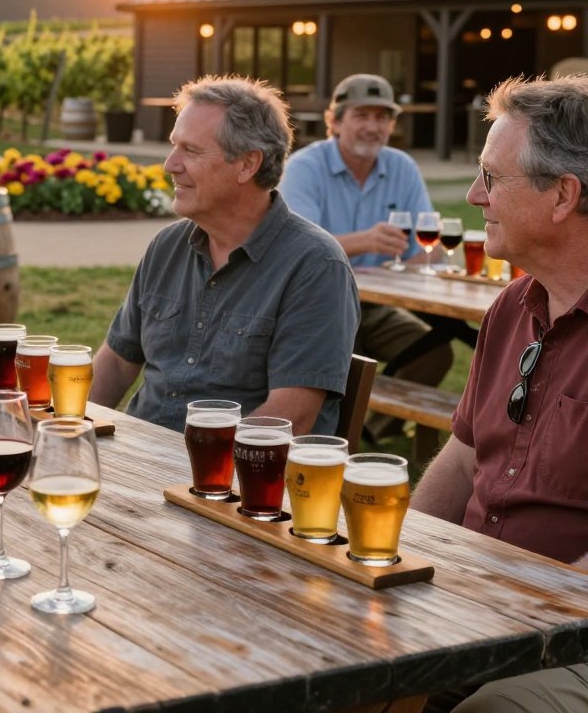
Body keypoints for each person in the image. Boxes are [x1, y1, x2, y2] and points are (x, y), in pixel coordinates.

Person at [410, 75, 588, 712]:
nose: (474, 195)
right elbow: (463, 457)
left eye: (493, 177)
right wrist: (396, 559)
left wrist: (508, 620)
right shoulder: (514, 303)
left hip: (568, 631)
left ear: (563, 195)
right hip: (478, 606)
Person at [89, 75, 360, 435]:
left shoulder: (316, 266)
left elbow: (289, 416)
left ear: (247, 165)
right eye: (174, 146)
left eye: (191, 151)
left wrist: (198, 466)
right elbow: (117, 361)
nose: (170, 164)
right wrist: (70, 429)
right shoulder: (166, 246)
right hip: (140, 458)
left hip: (234, 480)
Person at [280, 73, 455, 405]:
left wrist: (429, 256)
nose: (373, 127)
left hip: (374, 305)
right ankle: (345, 435)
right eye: (361, 115)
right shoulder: (304, 167)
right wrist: (366, 242)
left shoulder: (402, 166)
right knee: (344, 363)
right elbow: (295, 250)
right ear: (334, 121)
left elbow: (427, 250)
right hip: (317, 305)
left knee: (433, 353)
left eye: (382, 117)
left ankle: (372, 430)